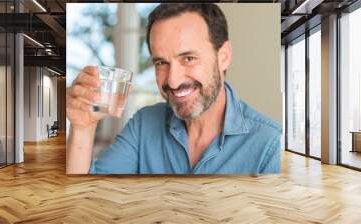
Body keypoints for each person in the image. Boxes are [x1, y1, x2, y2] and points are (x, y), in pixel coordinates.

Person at [66, 3, 282, 174]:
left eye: (188, 58)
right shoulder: (143, 125)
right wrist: (82, 128)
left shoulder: (269, 144)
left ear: (223, 56)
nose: (173, 81)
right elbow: (88, 199)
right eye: (161, 62)